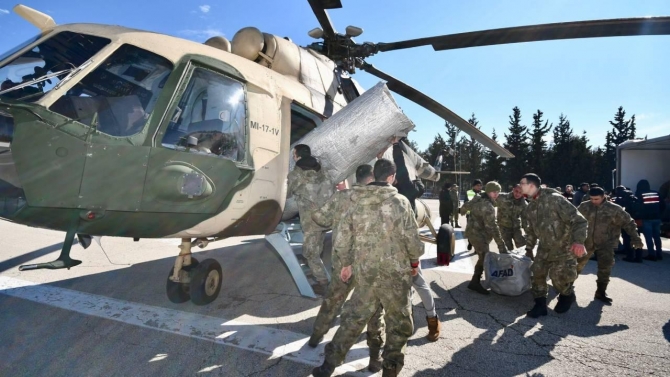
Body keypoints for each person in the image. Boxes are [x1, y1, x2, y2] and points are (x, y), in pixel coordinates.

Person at [312, 158, 424, 377]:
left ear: (375, 175)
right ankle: (389, 369)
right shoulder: (400, 202)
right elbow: (413, 242)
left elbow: (343, 238)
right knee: (398, 323)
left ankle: (328, 366)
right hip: (395, 275)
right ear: (391, 177)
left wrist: (346, 264)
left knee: (353, 319)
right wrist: (413, 262)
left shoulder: (356, 201)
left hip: (365, 273)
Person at [309, 164, 385, 372]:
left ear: (357, 179)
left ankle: (316, 336)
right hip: (369, 266)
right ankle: (375, 358)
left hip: (342, 263)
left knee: (332, 301)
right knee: (374, 312)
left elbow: (319, 218)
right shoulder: (381, 199)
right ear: (372, 178)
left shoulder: (342, 197)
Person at [390, 138, 440, 342]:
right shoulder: (385, 192)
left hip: (406, 249)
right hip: (389, 250)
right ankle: (407, 319)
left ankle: (433, 320)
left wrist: (397, 146)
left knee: (420, 285)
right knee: (402, 290)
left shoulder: (407, 191)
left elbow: (402, 167)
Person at [521, 173, 587, 317]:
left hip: (563, 247)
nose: (520, 186)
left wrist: (578, 242)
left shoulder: (555, 200)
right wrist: (528, 248)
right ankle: (540, 306)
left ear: (531, 185)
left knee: (559, 277)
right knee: (537, 273)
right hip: (544, 248)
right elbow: (531, 231)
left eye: (522, 183)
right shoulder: (530, 207)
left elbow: (579, 221)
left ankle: (567, 295)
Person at [577, 187, 644, 304]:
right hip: (586, 242)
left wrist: (635, 238)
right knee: (577, 265)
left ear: (604, 197)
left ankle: (601, 292)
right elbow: (575, 221)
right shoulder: (584, 206)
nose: (593, 201)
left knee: (605, 268)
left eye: (596, 199)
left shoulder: (614, 209)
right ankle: (566, 289)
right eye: (591, 198)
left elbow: (629, 223)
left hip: (606, 243)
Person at [287, 144, 335, 295]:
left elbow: (287, 194)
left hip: (311, 220)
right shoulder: (323, 171)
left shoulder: (296, 174)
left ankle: (324, 283)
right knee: (317, 248)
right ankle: (323, 277)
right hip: (326, 216)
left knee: (309, 254)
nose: (293, 157)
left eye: (293, 154)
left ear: (297, 155)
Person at [459, 181, 508, 295]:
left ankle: (475, 281)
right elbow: (493, 227)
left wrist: (462, 211)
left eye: (498, 192)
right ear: (488, 192)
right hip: (478, 235)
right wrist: (501, 245)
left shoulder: (478, 198)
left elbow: (465, 207)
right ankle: (475, 282)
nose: (496, 194)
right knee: (485, 257)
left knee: (483, 256)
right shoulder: (488, 206)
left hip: (473, 232)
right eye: (494, 192)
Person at [634, 179, 664, 261]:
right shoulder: (656, 193)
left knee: (649, 237)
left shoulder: (640, 194)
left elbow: (638, 207)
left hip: (647, 219)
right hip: (657, 218)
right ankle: (659, 253)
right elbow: (663, 205)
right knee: (657, 237)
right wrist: (659, 214)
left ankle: (651, 254)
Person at [612, 185, 639, 261]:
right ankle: (638, 257)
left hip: (625, 221)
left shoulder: (620, 198)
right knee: (635, 237)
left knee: (626, 238)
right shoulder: (633, 196)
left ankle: (629, 255)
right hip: (635, 219)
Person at [497, 184, 528, 251]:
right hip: (503, 228)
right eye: (516, 191)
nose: (518, 194)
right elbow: (490, 197)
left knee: (522, 246)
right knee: (507, 249)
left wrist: (528, 233)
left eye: (520, 192)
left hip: (516, 228)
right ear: (513, 189)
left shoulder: (524, 204)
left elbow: (525, 219)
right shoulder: (502, 197)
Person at [464, 179, 483, 251]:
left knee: (479, 232)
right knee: (470, 231)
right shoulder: (469, 192)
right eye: (478, 185)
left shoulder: (483, 193)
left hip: (480, 216)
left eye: (480, 185)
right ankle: (470, 243)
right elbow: (466, 203)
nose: (479, 187)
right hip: (470, 215)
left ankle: (476, 247)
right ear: (473, 186)